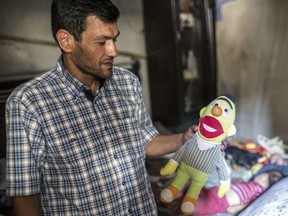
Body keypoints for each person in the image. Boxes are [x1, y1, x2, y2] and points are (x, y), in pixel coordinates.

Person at [5, 0, 196, 215]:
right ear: (66, 41)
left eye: (114, 39)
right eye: (101, 42)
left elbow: (144, 141)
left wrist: (184, 140)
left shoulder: (127, 82)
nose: (113, 51)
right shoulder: (29, 103)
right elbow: (25, 195)